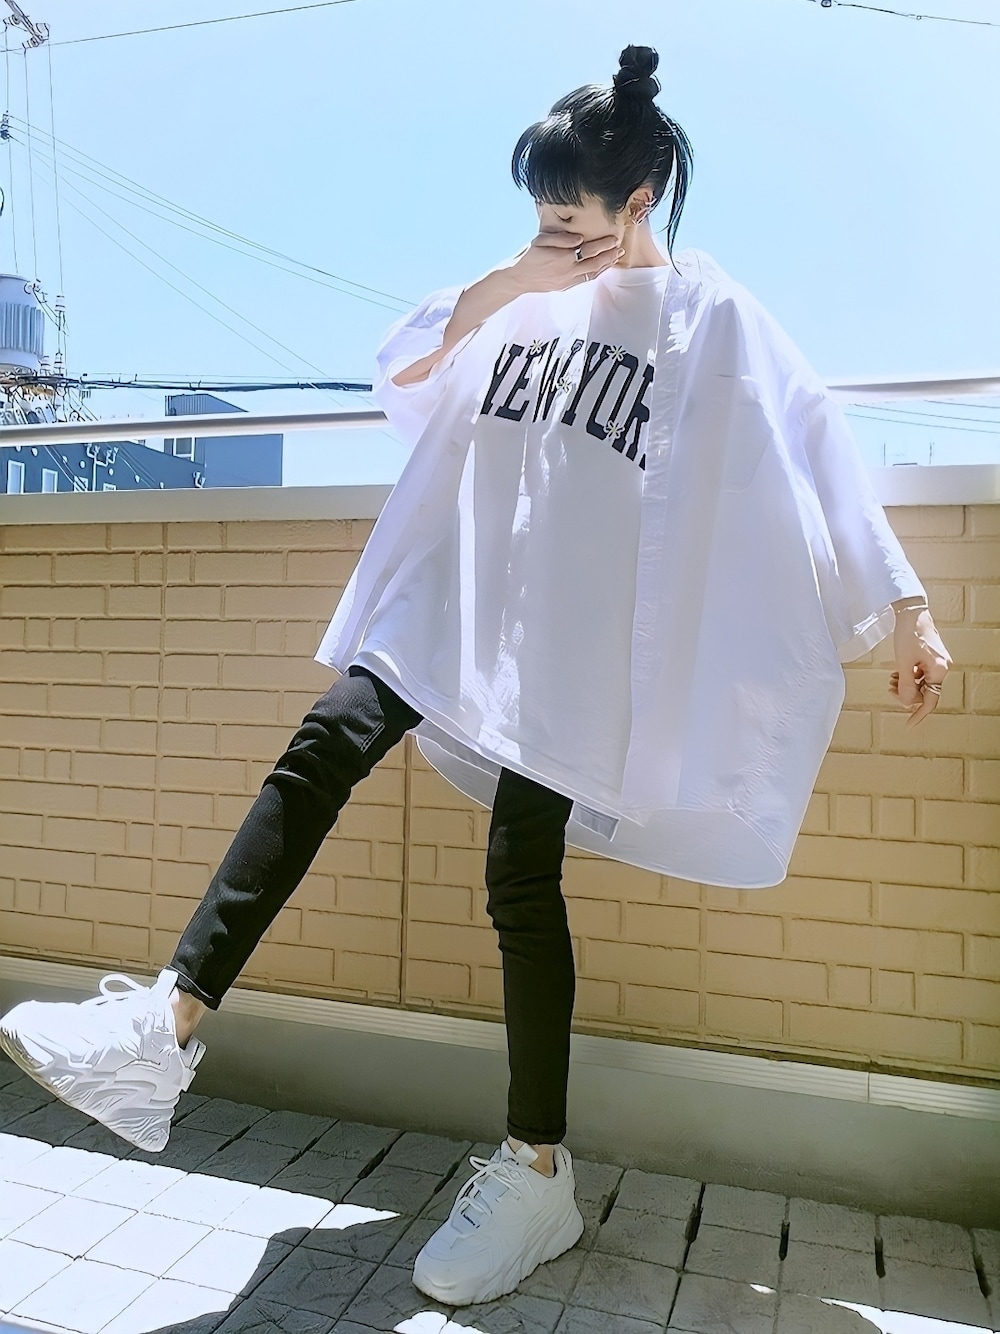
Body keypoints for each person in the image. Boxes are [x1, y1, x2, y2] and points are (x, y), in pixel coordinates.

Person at [0, 43, 952, 1309]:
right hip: (458, 601)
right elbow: (401, 374)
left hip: (576, 648)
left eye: (573, 214)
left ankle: (536, 1168)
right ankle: (162, 1025)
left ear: (640, 199)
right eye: (539, 212)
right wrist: (513, 277)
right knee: (326, 738)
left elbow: (815, 439)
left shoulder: (710, 316)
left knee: (519, 876)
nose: (554, 233)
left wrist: (907, 607)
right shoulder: (524, 291)